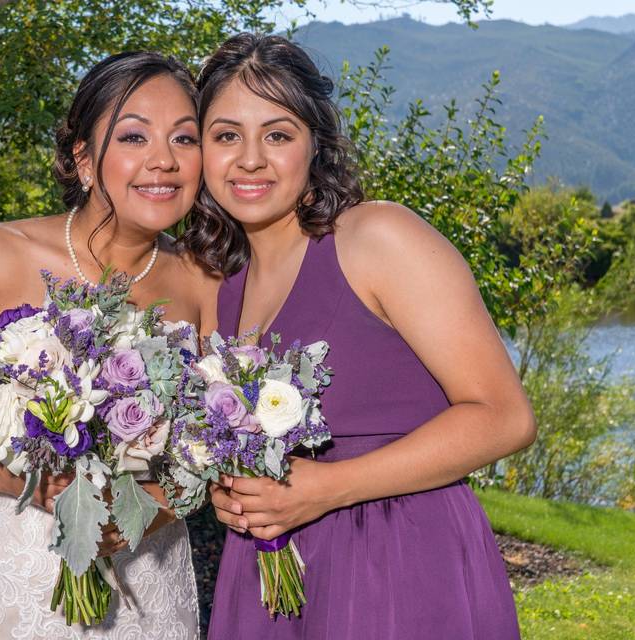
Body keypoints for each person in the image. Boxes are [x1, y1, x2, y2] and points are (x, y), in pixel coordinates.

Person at [183, 33, 537, 639]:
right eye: (226, 135)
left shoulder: (377, 238)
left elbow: (504, 417)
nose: (250, 159)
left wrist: (329, 487)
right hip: (271, 574)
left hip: (396, 562)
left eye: (277, 134)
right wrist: (233, 493)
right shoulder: (224, 289)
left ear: (314, 144)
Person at [0, 51, 217, 639]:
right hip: (13, 570)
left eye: (184, 138)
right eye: (133, 136)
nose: (164, 161)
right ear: (84, 159)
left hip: (148, 578)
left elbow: (212, 446)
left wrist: (152, 508)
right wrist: (31, 483)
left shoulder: (204, 281)